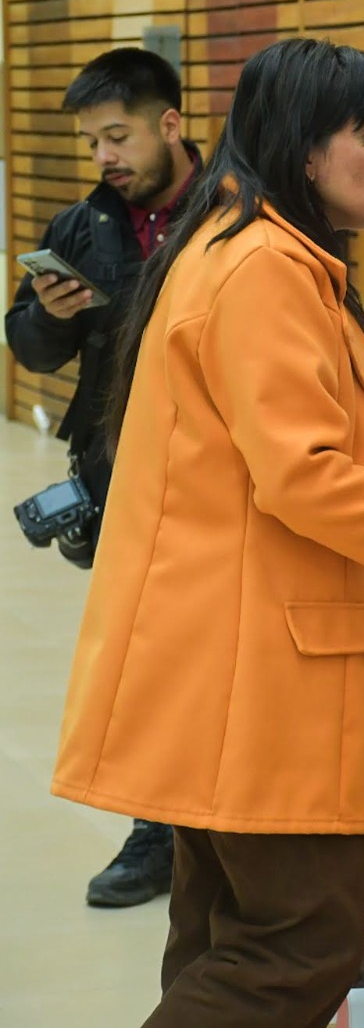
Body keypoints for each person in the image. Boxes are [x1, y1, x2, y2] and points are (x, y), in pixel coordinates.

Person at [49, 38, 364, 1027]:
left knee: (220, 938)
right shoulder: (265, 268)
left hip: (221, 668)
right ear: (306, 152)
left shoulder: (252, 249)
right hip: (253, 679)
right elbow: (303, 479)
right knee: (300, 946)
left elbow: (260, 446)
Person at [5, 47, 201, 909]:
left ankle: (226, 831)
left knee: (218, 662)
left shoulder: (235, 213)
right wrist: (49, 320)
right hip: (121, 478)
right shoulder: (82, 226)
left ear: (171, 123)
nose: (104, 157)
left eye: (117, 136)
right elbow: (27, 345)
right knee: (142, 663)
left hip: (220, 482)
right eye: (92, 142)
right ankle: (156, 830)